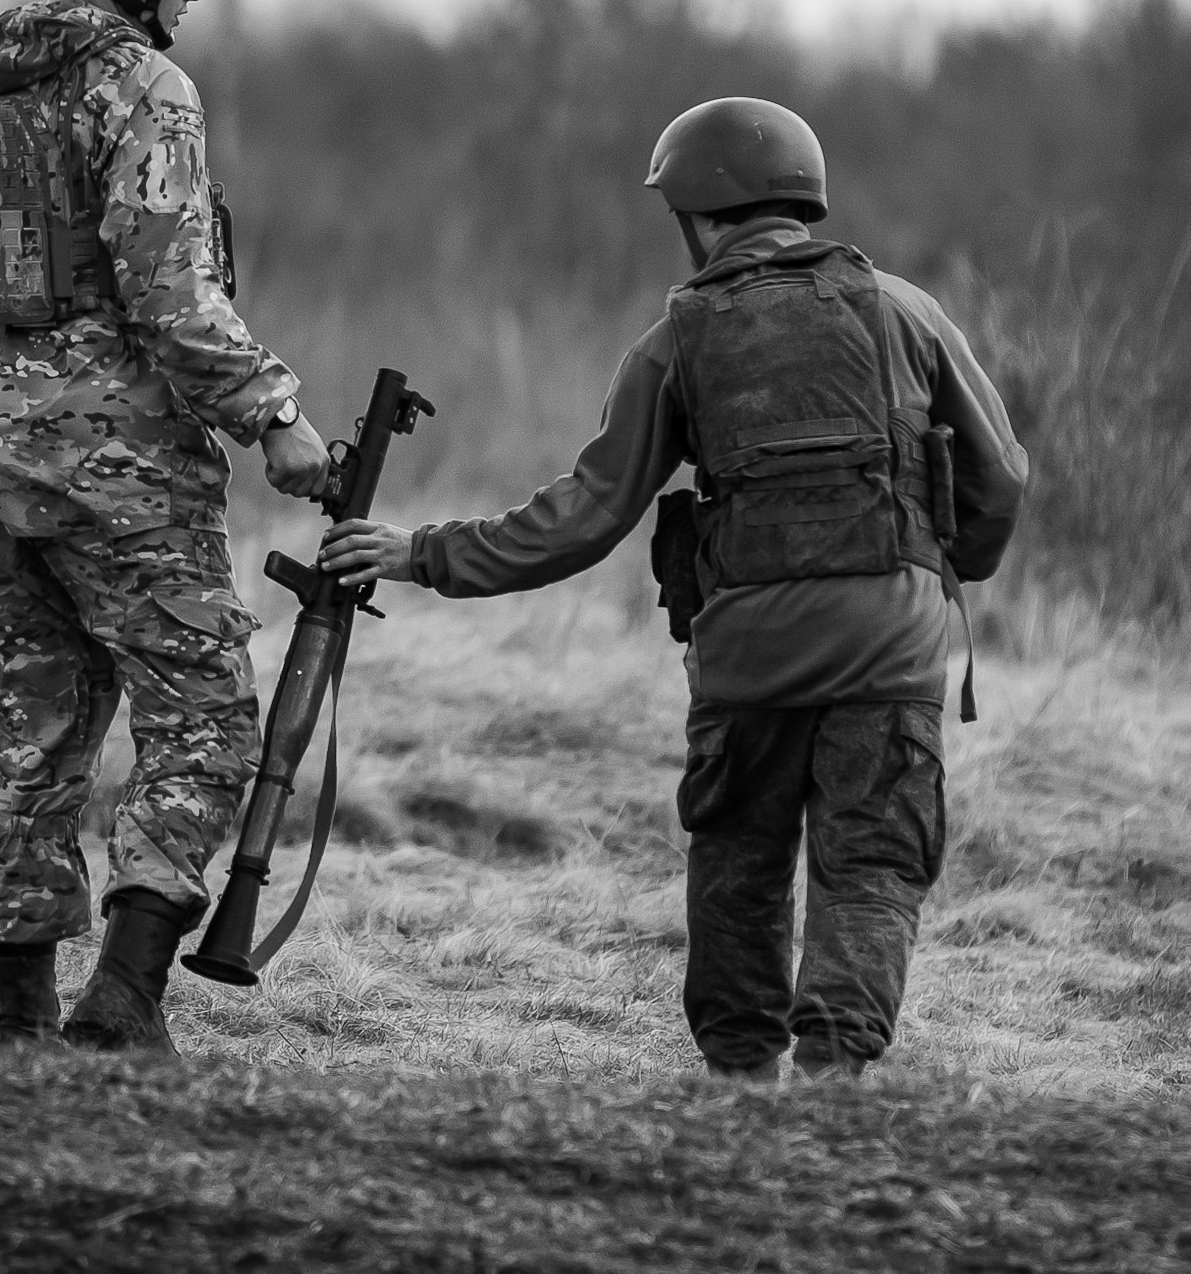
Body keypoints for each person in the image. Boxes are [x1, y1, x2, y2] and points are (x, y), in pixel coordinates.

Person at [321, 98, 1028, 1079]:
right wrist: (945, 571)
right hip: (890, 645)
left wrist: (421, 554)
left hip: (748, 659)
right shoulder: (907, 310)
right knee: (871, 866)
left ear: (697, 217)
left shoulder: (678, 337)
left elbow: (584, 513)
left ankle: (741, 1084)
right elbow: (1002, 476)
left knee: (739, 865)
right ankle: (836, 1077)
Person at [0, 0, 330, 1052]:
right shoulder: (143, 87)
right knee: (204, 721)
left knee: (31, 727)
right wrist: (275, 418)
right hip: (115, 461)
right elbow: (171, 298)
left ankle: (18, 1018)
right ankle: (122, 1003)